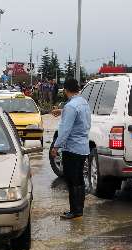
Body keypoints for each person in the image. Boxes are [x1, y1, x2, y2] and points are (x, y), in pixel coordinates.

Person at [51, 79, 92, 220]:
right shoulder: (83, 102)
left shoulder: (71, 106)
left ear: (65, 90)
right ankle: (79, 209)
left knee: (71, 180)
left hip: (72, 149)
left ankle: (74, 211)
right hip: (83, 148)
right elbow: (75, 114)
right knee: (79, 179)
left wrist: (56, 146)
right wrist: (61, 111)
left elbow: (65, 130)